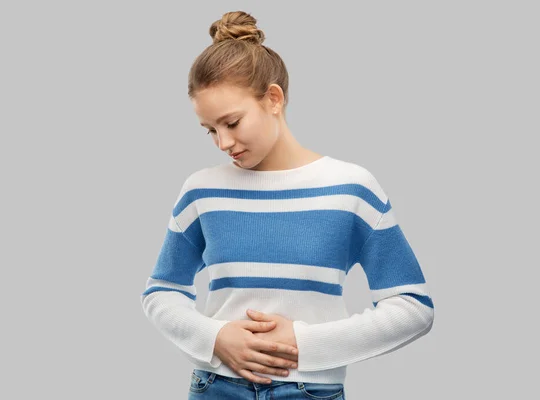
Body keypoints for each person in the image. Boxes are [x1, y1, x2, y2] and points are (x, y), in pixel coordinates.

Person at [142, 10, 434, 400]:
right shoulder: (201, 190)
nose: (223, 143)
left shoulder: (350, 188)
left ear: (274, 99)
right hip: (216, 388)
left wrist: (304, 343)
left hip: (310, 391)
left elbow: (413, 307)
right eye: (210, 130)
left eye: (232, 122)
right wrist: (214, 337)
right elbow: (161, 291)